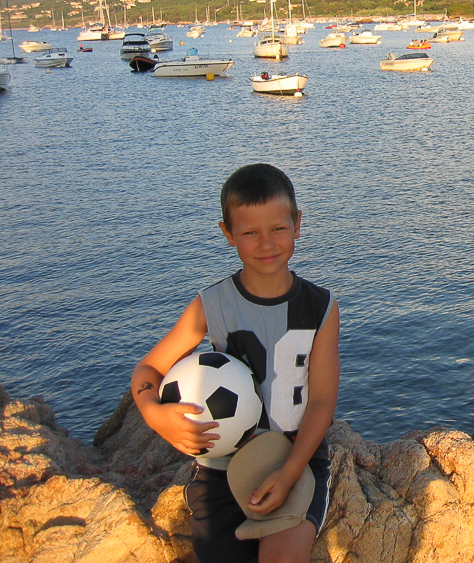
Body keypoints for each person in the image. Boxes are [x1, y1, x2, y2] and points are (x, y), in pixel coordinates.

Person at [132, 163, 339, 563]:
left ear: (297, 224)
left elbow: (322, 401)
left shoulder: (321, 307)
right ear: (228, 234)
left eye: (277, 228)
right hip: (220, 469)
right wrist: (154, 414)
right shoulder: (211, 305)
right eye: (249, 233)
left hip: (296, 460)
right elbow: (149, 370)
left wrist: (290, 471)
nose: (266, 243)